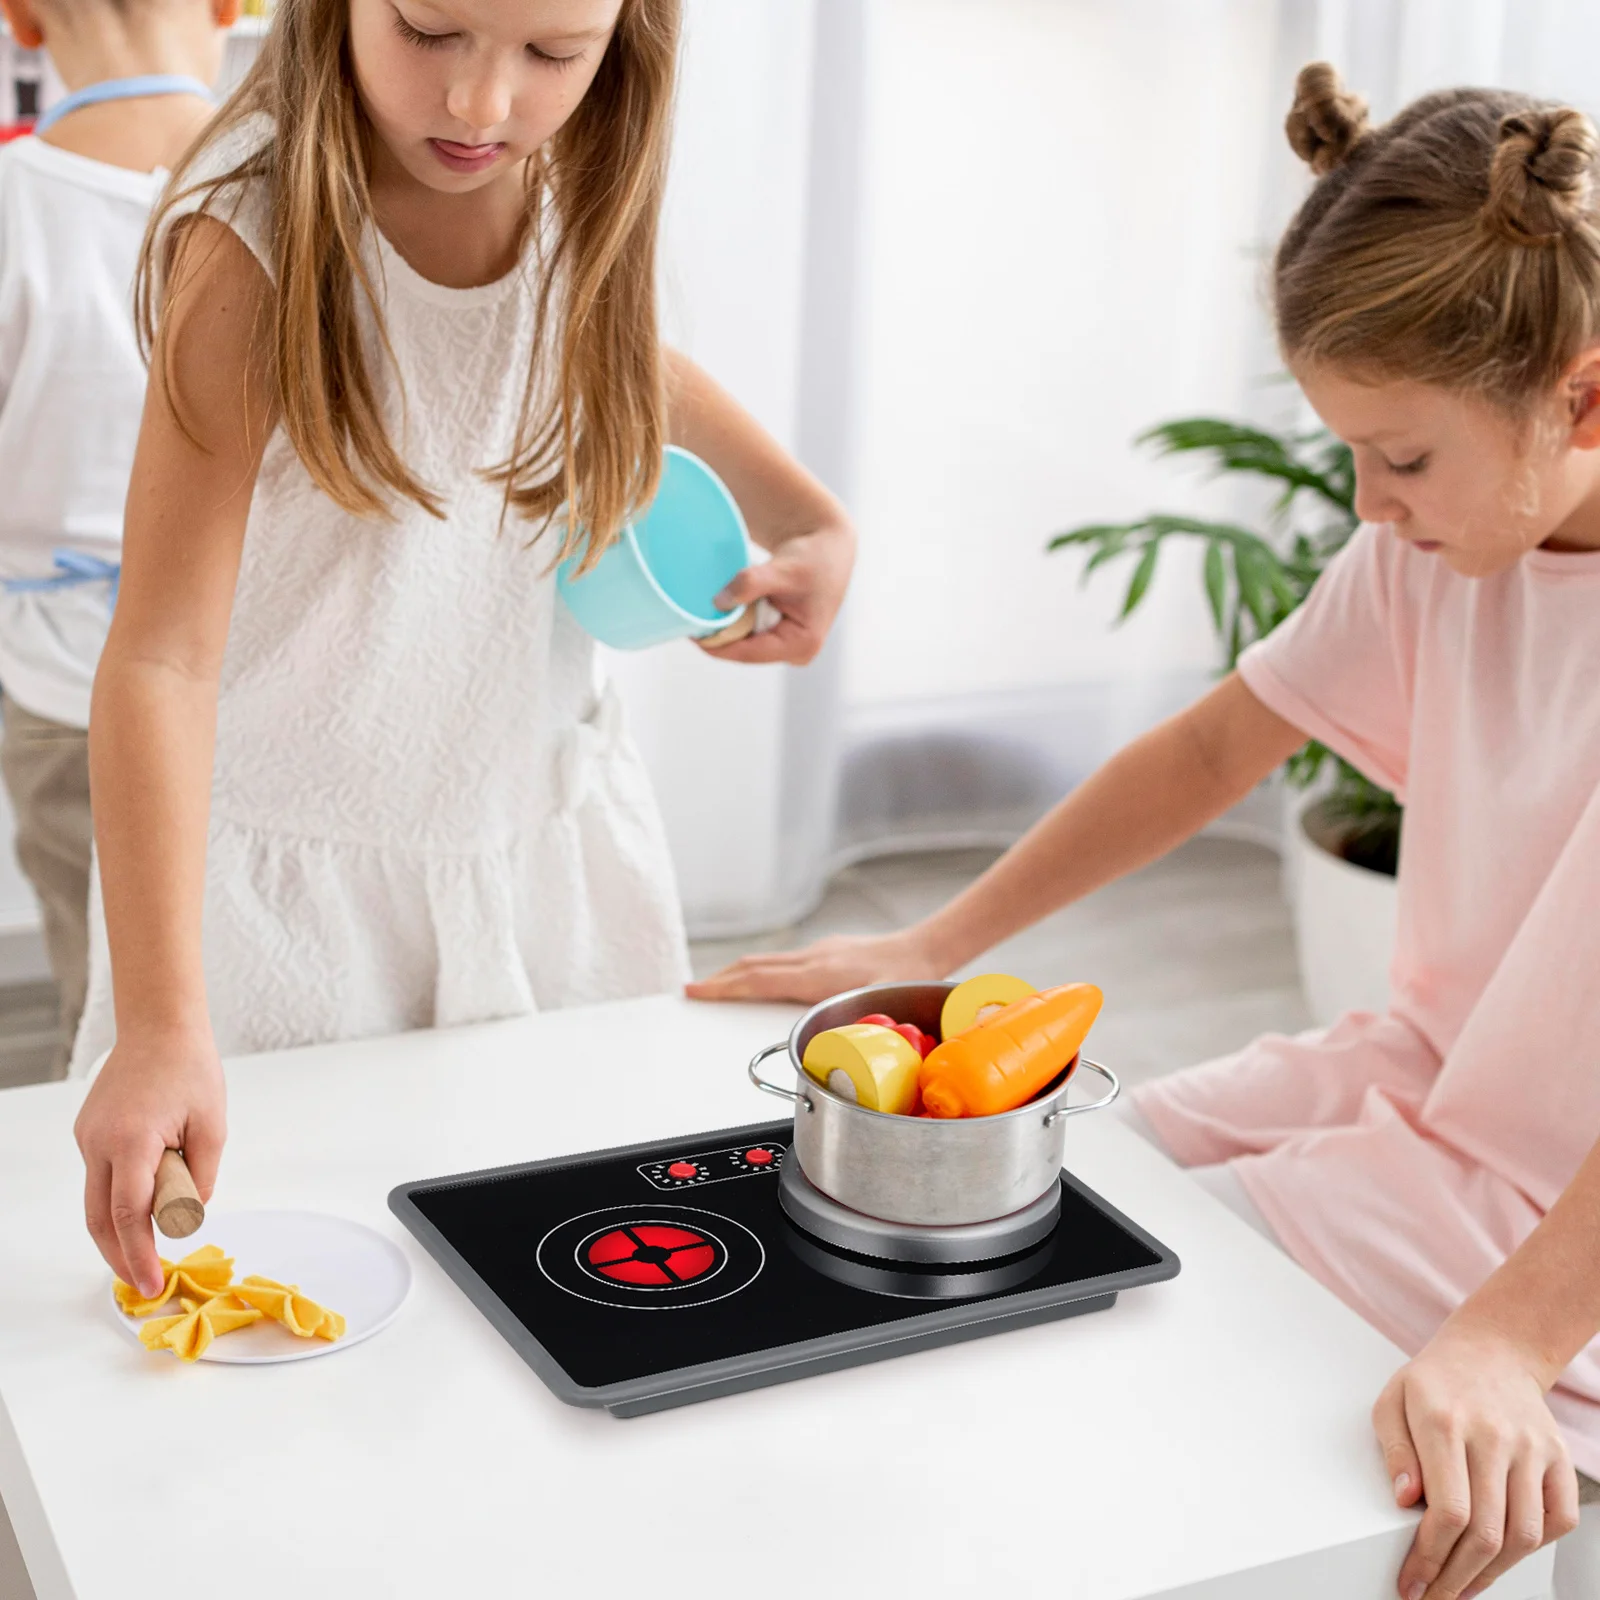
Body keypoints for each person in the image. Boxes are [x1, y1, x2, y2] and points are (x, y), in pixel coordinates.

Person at [693, 64, 1600, 1600]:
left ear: (1583, 394)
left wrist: (1511, 1341)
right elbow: (1214, 745)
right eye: (1351, 453)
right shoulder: (1431, 556)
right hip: (1422, 1083)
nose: (1370, 503)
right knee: (1055, 1178)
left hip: (1550, 1213)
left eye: (1403, 457)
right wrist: (936, 943)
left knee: (1077, 1307)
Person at [71, 0, 854, 1306]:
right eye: (430, 31)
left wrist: (812, 518)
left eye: (553, 54)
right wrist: (158, 1024)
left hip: (542, 861)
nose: (482, 104)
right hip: (287, 918)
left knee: (578, 1287)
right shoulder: (250, 246)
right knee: (299, 1309)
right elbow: (158, 659)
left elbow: (611, 346)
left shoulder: (571, 181)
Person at [0, 0, 235, 1075]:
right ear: (228, 7)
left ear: (22, 21)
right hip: (256, 668)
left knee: (112, 1014)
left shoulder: (14, 203)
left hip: (66, 690)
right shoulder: (288, 188)